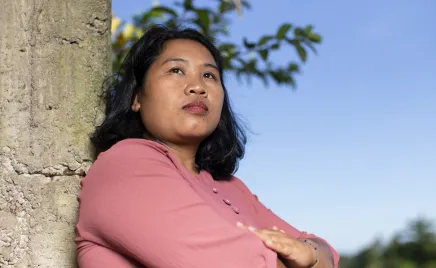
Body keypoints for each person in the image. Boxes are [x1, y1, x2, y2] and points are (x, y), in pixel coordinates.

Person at [74, 25, 339, 268]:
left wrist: (312, 254)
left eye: (209, 75)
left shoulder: (233, 188)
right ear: (137, 98)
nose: (197, 87)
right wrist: (298, 260)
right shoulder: (123, 166)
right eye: (176, 70)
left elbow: (324, 250)